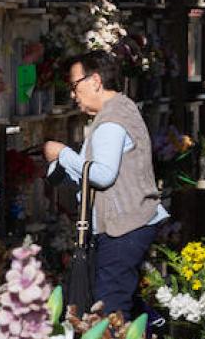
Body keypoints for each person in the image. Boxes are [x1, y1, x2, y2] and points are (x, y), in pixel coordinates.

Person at [41, 50, 167, 317]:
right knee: (121, 296)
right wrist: (65, 169)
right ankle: (152, 329)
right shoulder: (119, 111)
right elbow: (94, 176)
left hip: (124, 227)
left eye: (75, 86)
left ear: (95, 81)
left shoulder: (112, 121)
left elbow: (102, 175)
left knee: (110, 305)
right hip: (129, 224)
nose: (73, 95)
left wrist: (61, 153)